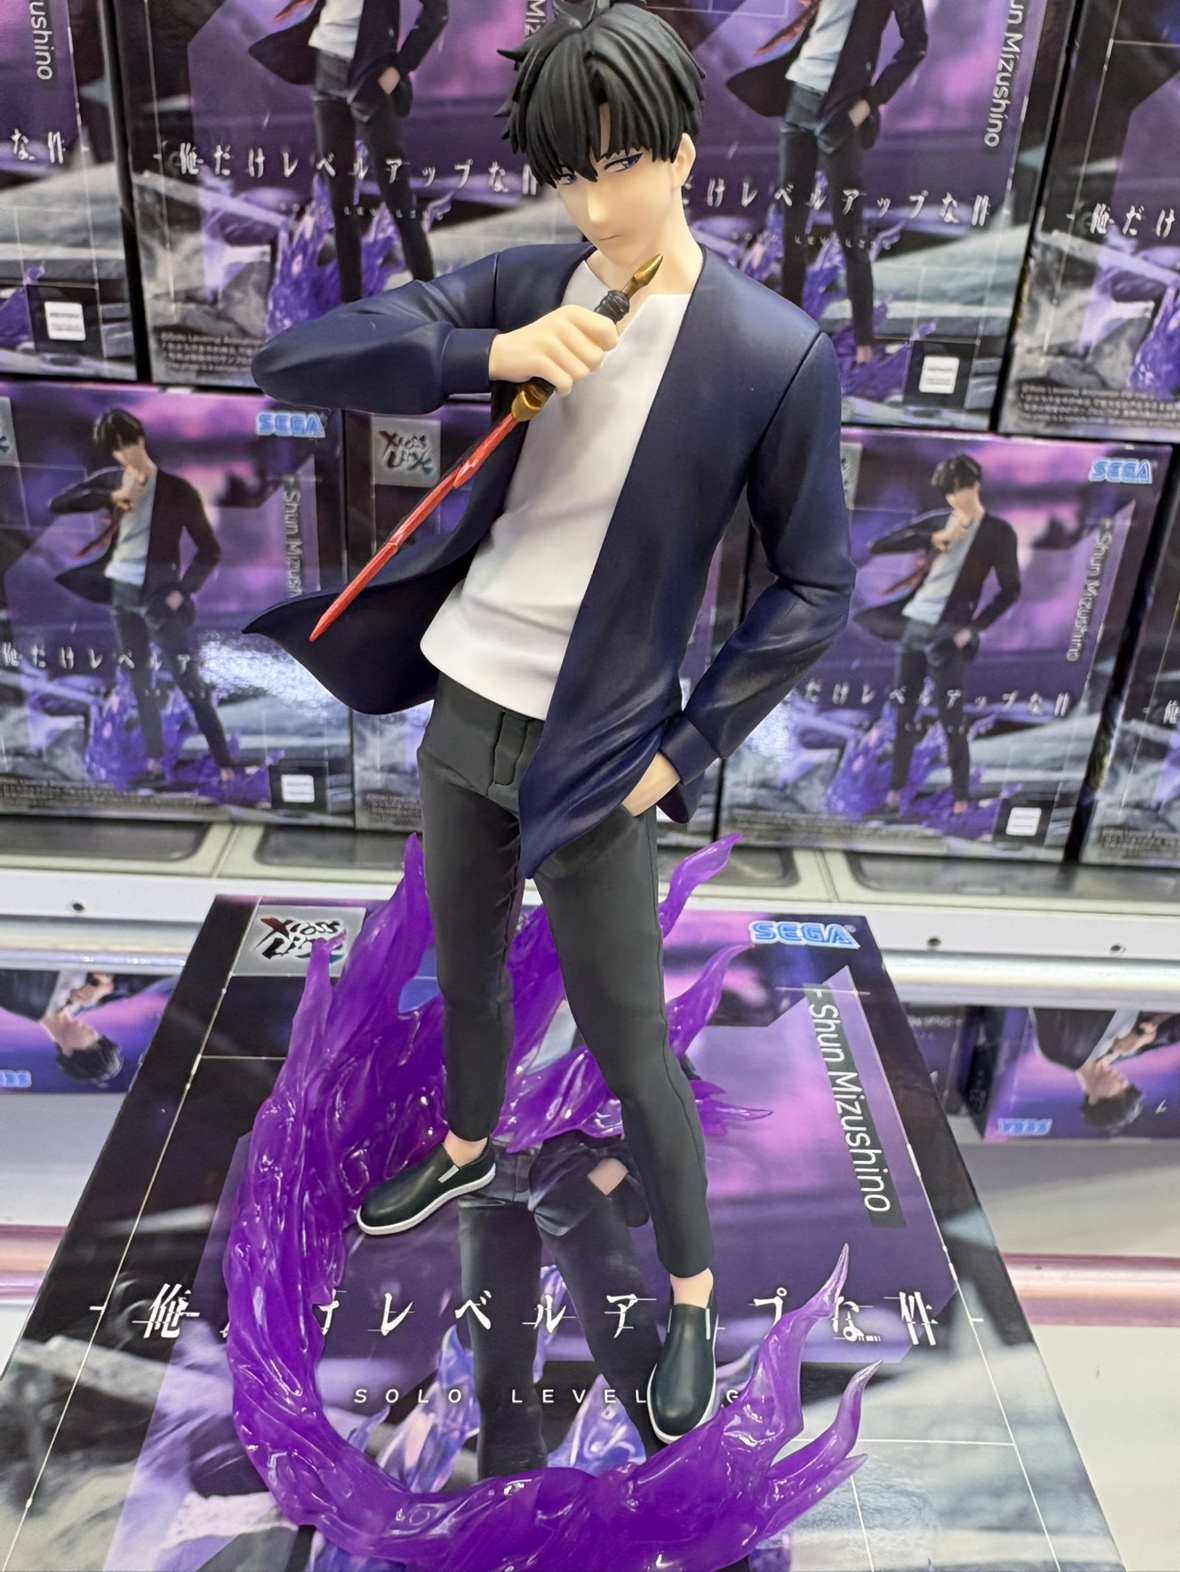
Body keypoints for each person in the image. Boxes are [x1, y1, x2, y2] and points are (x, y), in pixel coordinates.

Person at [249, 0, 853, 1443]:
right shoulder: (535, 281)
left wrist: (682, 755)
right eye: (569, 173)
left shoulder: (768, 351)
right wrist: (490, 349)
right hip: (468, 694)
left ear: (686, 153)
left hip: (603, 753)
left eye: (620, 165)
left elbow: (815, 584)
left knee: (633, 1047)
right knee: (463, 975)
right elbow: (300, 362)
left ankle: (690, 1298)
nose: (594, 204)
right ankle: (468, 1146)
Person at [726, 0, 927, 361]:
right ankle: (789, 338)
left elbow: (916, 43)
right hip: (798, 96)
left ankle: (865, 345)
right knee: (792, 229)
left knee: (851, 233)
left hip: (840, 111)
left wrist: (868, 104)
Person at [458, 1133, 660, 1476]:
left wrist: (616, 1166)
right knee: (499, 1382)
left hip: (571, 1163)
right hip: (487, 1178)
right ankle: (508, 1502)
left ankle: (686, 1490)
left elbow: (672, 1104)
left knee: (633, 1357)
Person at [52, 409, 234, 789]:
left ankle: (225, 768)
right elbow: (61, 503)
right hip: (122, 593)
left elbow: (209, 551)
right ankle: (154, 765)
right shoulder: (114, 480)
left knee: (188, 680)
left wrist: (178, 594)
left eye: (126, 446)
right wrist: (113, 496)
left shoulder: (177, 490)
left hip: (159, 595)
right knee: (139, 681)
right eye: (115, 451)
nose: (123, 456)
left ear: (140, 440)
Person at [857, 453, 1020, 816]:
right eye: (948, 492)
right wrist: (934, 537)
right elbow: (878, 545)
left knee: (952, 720)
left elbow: (1011, 590)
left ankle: (961, 803)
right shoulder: (938, 522)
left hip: (948, 635)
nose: (953, 499)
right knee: (903, 715)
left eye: (957, 490)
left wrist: (973, 629)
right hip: (913, 627)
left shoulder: (997, 532)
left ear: (974, 485)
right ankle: (894, 799)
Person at [249, 0, 447, 301]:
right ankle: (350, 304)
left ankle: (432, 298)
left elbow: (437, 10)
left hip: (369, 74)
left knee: (399, 200)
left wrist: (399, 69)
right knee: (340, 204)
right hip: (325, 69)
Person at [1031, 1008, 1180, 1135]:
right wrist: (1147, 1037)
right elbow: (1174, 1032)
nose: (1124, 1082)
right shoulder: (1123, 1052)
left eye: (1119, 1092)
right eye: (1127, 1087)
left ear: (1094, 1099)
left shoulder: (1058, 1050)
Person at [0, 969, 125, 1084]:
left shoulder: (17, 998)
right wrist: (107, 987)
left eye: (91, 1045)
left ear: (68, 1052)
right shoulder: (91, 999)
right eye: (98, 1039)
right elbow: (132, 979)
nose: (93, 1034)